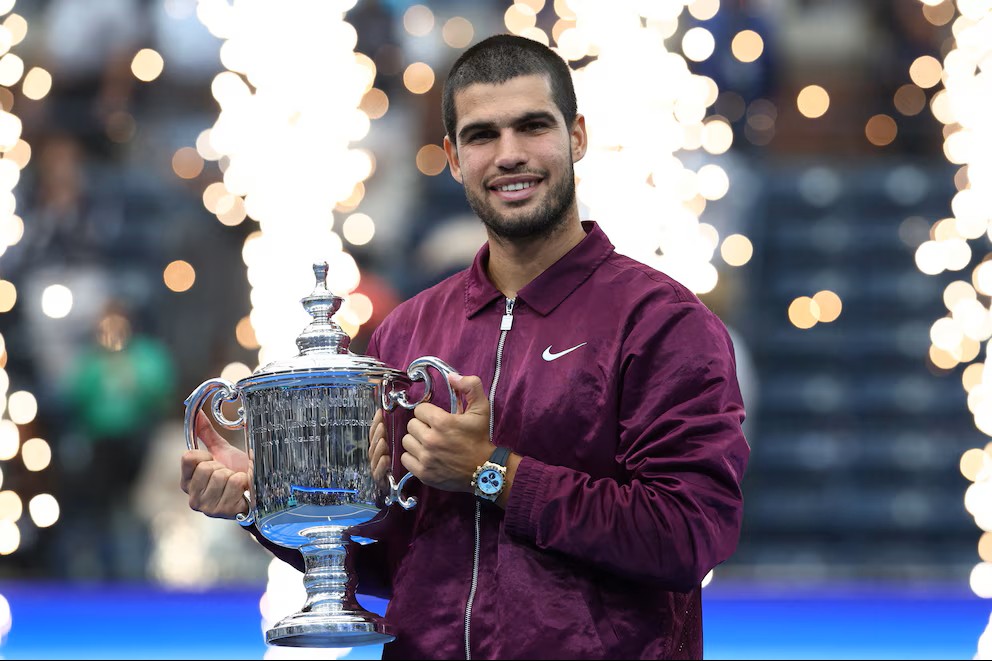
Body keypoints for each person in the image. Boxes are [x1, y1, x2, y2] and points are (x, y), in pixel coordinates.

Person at [181, 34, 749, 659]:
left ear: (577, 137)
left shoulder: (662, 322)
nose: (509, 155)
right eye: (482, 135)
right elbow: (397, 559)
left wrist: (494, 472)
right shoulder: (408, 330)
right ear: (453, 157)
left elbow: (691, 535)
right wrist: (271, 503)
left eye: (533, 127)